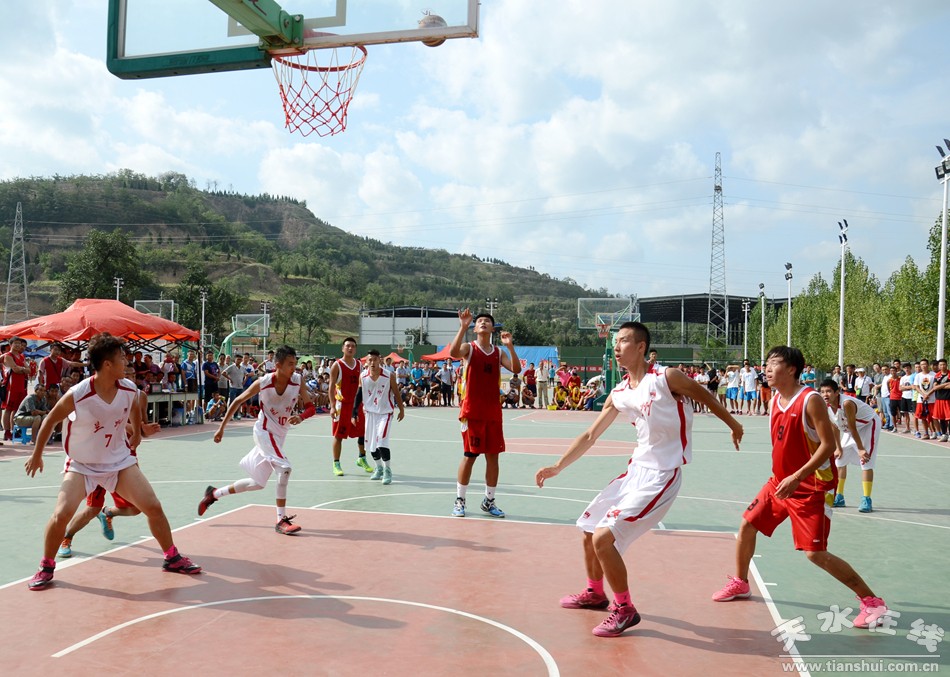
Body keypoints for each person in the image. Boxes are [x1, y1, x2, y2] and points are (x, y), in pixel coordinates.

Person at [535, 322, 743, 637]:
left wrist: (734, 425)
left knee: (603, 539)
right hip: (635, 472)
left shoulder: (666, 378)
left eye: (623, 341)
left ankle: (625, 609)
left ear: (641, 347)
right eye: (615, 342)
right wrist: (558, 466)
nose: (616, 347)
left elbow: (707, 397)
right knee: (588, 530)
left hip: (662, 475)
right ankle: (595, 592)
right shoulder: (620, 392)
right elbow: (591, 434)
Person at [711, 346, 887, 631]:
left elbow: (828, 446)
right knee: (747, 525)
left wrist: (797, 476)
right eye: (766, 364)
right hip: (780, 483)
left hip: (811, 487)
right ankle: (741, 582)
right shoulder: (774, 401)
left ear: (791, 369)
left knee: (815, 554)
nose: (767, 369)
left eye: (774, 363)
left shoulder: (810, 400)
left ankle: (872, 602)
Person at [24, 333, 201, 589]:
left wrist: (138, 433)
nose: (126, 362)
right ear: (107, 364)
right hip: (82, 464)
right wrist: (37, 454)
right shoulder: (79, 393)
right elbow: (50, 420)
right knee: (61, 514)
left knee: (152, 506)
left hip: (118, 461)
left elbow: (134, 408)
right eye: (122, 358)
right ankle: (46, 566)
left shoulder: (128, 388)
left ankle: (171, 557)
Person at [198, 345, 315, 534]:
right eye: (290, 364)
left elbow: (311, 407)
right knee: (284, 469)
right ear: (278, 365)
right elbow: (238, 401)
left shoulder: (297, 380)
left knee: (257, 483)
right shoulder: (264, 382)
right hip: (264, 431)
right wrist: (221, 428)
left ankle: (214, 493)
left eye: (295, 363)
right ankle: (281, 520)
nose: (294, 368)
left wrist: (301, 417)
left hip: (279, 434)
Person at [57, 365, 162, 558]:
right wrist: (133, 429)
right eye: (126, 373)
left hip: (123, 458)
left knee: (136, 508)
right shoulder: (102, 392)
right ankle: (67, 537)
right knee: (92, 509)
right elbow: (112, 423)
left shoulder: (139, 396)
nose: (129, 377)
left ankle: (109, 513)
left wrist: (143, 431)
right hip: (99, 458)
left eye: (132, 374)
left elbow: (139, 426)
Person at [450, 309, 520, 518]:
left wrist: (510, 346)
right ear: (475, 328)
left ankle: (489, 501)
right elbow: (454, 352)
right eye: (479, 320)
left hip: (492, 412)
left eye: (487, 321)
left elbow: (516, 369)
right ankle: (460, 500)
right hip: (472, 412)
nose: (483, 322)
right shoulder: (469, 348)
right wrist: (463, 326)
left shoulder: (499, 352)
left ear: (492, 328)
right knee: (470, 456)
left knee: (493, 457)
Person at [818, 379, 880, 513]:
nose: (825, 394)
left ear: (837, 392)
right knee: (840, 460)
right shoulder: (825, 406)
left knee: (866, 461)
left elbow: (852, 427)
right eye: (822, 392)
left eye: (828, 391)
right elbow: (834, 426)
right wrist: (838, 447)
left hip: (868, 425)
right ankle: (839, 496)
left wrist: (861, 449)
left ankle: (866, 498)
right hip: (851, 428)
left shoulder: (847, 403)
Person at [351, 350, 405, 485]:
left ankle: (387, 470)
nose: (372, 362)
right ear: (366, 361)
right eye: (370, 360)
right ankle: (379, 467)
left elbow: (396, 393)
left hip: (385, 413)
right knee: (371, 445)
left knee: (382, 441)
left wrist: (401, 409)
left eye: (375, 359)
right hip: (370, 413)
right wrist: (354, 413)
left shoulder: (389, 375)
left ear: (380, 360)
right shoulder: (363, 376)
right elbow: (359, 394)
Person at [328, 337, 372, 476]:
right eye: (347, 346)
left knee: (362, 432)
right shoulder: (337, 365)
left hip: (357, 405)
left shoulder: (359, 364)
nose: (350, 348)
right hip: (342, 405)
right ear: (343, 348)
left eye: (353, 346)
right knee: (339, 435)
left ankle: (362, 458)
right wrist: (332, 406)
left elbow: (363, 385)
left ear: (356, 349)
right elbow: (331, 387)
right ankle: (336, 463)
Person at [3, 337, 31, 442]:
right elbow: (15, 369)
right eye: (16, 343)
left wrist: (22, 369)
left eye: (19, 343)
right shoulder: (8, 356)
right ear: (11, 344)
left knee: (17, 409)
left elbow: (29, 370)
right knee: (8, 409)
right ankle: (7, 431)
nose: (18, 345)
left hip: (21, 386)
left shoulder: (21, 356)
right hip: (11, 386)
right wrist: (23, 369)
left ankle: (14, 430)